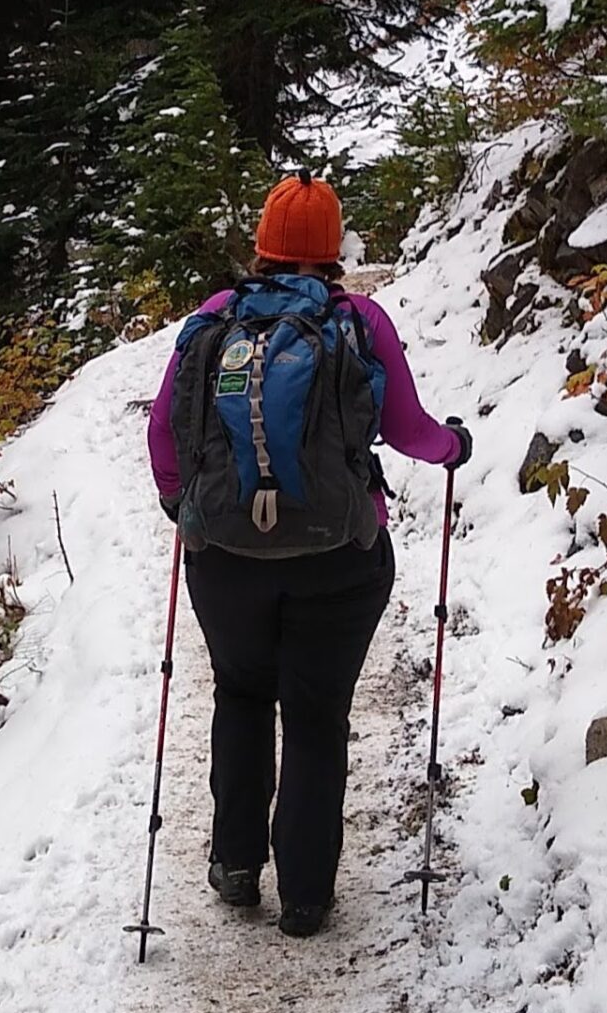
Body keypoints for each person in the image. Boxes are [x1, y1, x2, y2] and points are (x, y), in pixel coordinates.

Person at [145, 173, 471, 938]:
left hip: (225, 558)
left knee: (242, 693)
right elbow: (407, 427)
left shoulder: (212, 320)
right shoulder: (357, 320)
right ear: (333, 250)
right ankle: (306, 896)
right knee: (317, 715)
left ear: (261, 245)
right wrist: (455, 446)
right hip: (338, 560)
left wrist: (180, 508)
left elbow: (164, 432)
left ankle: (233, 866)